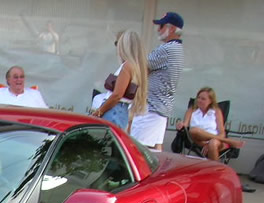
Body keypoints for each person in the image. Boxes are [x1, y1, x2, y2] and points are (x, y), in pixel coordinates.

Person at [130, 11, 184, 150]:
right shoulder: (177, 48)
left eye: (161, 26)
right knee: (155, 151)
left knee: (138, 149)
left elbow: (141, 67)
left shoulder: (167, 49)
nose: (158, 30)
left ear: (172, 29)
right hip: (160, 107)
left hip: (151, 108)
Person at [91, 30, 148, 131]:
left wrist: (98, 112)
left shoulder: (127, 66)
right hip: (120, 110)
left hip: (114, 110)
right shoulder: (136, 67)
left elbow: (117, 95)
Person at [176, 87, 245, 160]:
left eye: (203, 99)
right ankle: (228, 141)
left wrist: (208, 144)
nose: (199, 100)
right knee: (194, 130)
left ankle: (215, 167)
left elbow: (222, 132)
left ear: (211, 100)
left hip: (215, 142)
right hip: (197, 141)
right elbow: (185, 125)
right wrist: (180, 125)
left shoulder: (216, 111)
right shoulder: (191, 110)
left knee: (213, 143)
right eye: (198, 97)